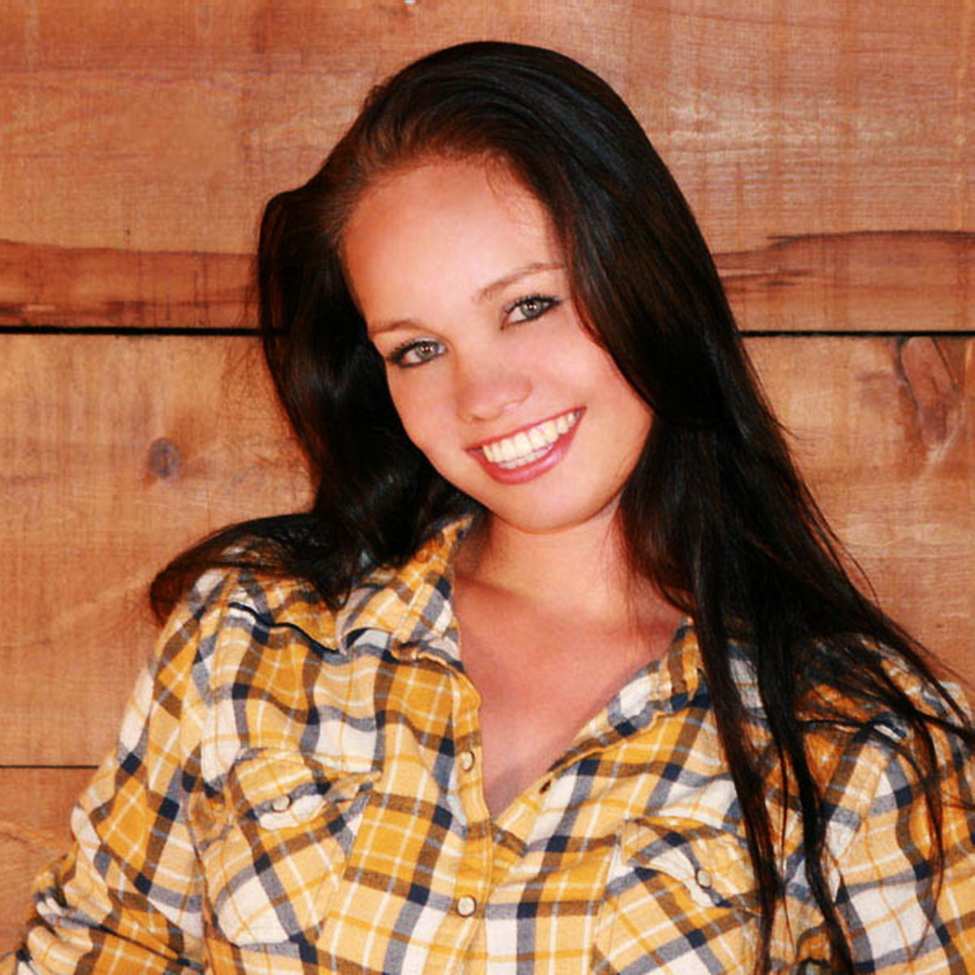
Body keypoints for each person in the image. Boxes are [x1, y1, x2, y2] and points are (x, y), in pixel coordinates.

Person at [5, 40, 973, 975]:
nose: (483, 396)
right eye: (418, 350)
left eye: (527, 306)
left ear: (639, 276)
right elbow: (96, 950)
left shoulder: (861, 744)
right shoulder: (250, 636)